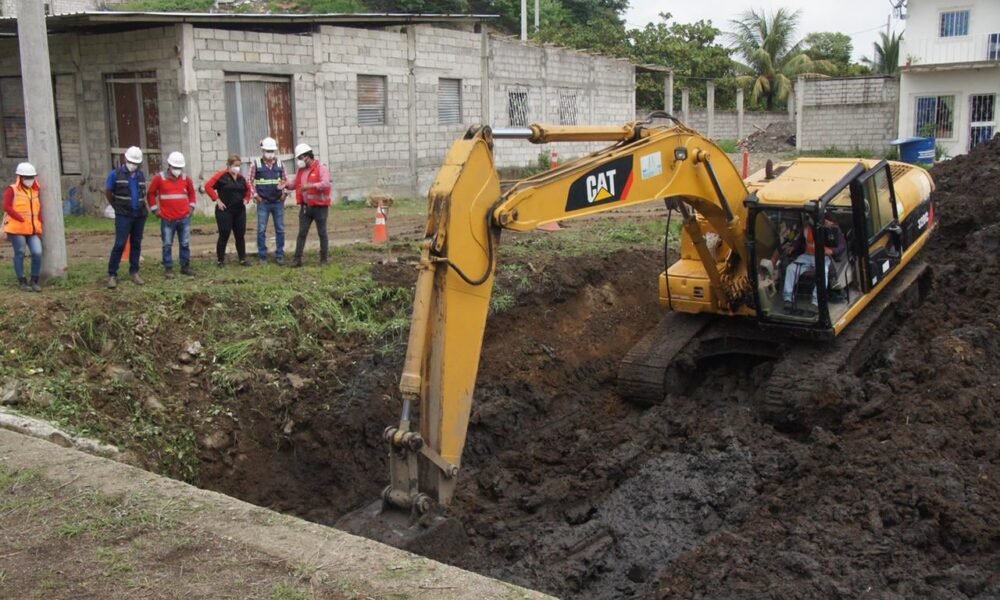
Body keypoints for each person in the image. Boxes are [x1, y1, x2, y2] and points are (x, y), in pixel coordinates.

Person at [780, 216, 847, 312]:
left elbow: (842, 245)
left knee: (823, 271)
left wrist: (832, 251)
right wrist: (793, 247)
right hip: (807, 256)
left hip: (822, 256)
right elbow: (800, 240)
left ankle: (816, 302)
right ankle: (788, 299)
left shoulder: (833, 229)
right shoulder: (806, 228)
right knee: (791, 268)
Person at [148, 151, 197, 278]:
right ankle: (168, 268)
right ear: (169, 166)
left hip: (184, 218)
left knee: (185, 243)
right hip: (167, 219)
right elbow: (151, 194)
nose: (177, 170)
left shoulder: (186, 179)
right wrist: (155, 209)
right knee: (167, 243)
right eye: (175, 167)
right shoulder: (160, 178)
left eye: (179, 168)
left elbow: (192, 193)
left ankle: (185, 266)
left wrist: (191, 207)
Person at [104, 146, 148, 288]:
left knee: (136, 243)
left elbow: (142, 193)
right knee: (120, 244)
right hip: (123, 214)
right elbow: (108, 192)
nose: (132, 165)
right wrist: (117, 206)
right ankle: (112, 274)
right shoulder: (115, 174)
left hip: (139, 215)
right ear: (125, 159)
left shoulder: (140, 175)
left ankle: (134, 271)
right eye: (130, 161)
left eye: (135, 163)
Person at [286, 143, 332, 268]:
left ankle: (323, 259)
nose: (299, 161)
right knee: (302, 233)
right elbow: (295, 184)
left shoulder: (321, 168)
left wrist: (311, 186)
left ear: (308, 156)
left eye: (301, 158)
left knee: (322, 233)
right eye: (298, 158)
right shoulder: (301, 171)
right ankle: (297, 259)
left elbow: (326, 183)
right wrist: (285, 185)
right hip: (306, 207)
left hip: (320, 207)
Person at [205, 155, 252, 267]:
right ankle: (220, 260)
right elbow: (208, 186)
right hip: (225, 211)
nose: (237, 168)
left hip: (239, 211)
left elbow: (248, 190)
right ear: (229, 165)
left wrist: (246, 199)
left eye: (239, 166)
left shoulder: (241, 178)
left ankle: (242, 259)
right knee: (224, 234)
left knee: (240, 235)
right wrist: (217, 200)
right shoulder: (222, 176)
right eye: (235, 165)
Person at [3, 163, 43, 292]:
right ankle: (22, 281)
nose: (29, 180)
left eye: (31, 177)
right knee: (20, 252)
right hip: (17, 229)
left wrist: (40, 223)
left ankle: (34, 281)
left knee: (37, 252)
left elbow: (38, 209)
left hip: (32, 229)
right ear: (20, 177)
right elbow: (7, 206)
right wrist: (20, 218)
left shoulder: (35, 190)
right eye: (26, 177)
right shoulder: (12, 189)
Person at [249, 137, 287, 265]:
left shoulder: (280, 164)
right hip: (263, 202)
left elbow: (285, 181)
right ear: (263, 150)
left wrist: (284, 194)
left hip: (277, 202)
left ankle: (280, 254)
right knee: (261, 229)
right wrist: (255, 195)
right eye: (267, 150)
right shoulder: (256, 164)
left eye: (272, 151)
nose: (270, 153)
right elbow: (249, 181)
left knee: (280, 229)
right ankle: (262, 255)